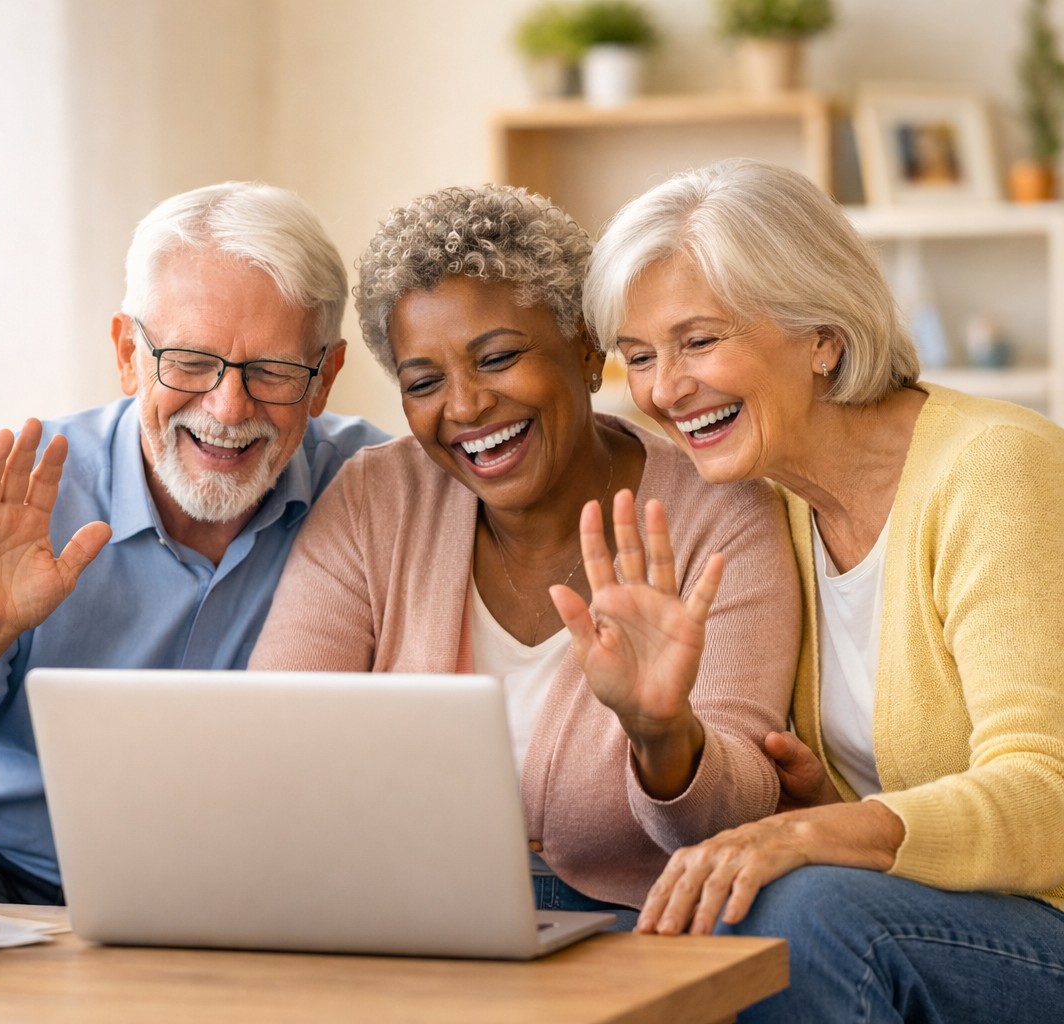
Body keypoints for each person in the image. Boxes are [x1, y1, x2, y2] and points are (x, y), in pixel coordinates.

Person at [0, 182, 388, 905]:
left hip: (256, 897)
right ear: (128, 354)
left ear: (324, 380)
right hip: (4, 880)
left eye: (271, 372)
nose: (228, 409)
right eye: (190, 362)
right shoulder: (25, 494)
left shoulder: (374, 493)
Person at [581, 158, 1064, 1020]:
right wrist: (808, 799)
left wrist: (818, 831)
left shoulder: (994, 469)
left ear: (823, 336)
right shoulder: (772, 507)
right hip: (944, 924)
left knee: (800, 913)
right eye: (639, 356)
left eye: (699, 340)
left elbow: (1047, 795)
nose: (663, 389)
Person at [249, 184, 799, 924]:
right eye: (424, 382)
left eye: (498, 357)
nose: (467, 406)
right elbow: (274, 736)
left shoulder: (722, 514)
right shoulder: (376, 500)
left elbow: (733, 823)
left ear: (585, 348)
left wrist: (663, 733)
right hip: (401, 915)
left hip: (638, 927)